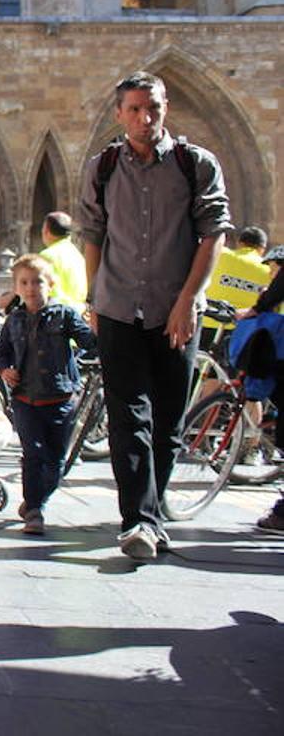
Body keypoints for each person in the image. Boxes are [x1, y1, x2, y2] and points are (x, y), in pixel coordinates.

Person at [76, 70, 231, 560]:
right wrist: (94, 296)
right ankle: (138, 521)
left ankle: (152, 512)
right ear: (119, 114)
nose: (146, 118)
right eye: (136, 109)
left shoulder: (195, 164)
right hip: (119, 305)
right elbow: (93, 234)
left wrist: (188, 300)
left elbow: (213, 233)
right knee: (128, 417)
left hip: (175, 310)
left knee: (167, 421)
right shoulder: (102, 167)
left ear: (166, 110)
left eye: (154, 109)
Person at [0, 254, 95, 536]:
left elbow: (90, 341)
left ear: (50, 284)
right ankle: (36, 510)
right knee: (32, 454)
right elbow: (1, 351)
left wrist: (88, 346)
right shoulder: (13, 320)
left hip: (61, 399)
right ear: (16, 287)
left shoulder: (64, 315)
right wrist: (4, 369)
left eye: (37, 281)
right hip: (25, 398)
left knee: (56, 461)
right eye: (24, 282)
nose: (30, 288)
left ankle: (35, 499)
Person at [37, 211, 87, 311]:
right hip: (79, 314)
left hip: (59, 316)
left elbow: (44, 293)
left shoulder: (46, 255)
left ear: (46, 230)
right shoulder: (78, 255)